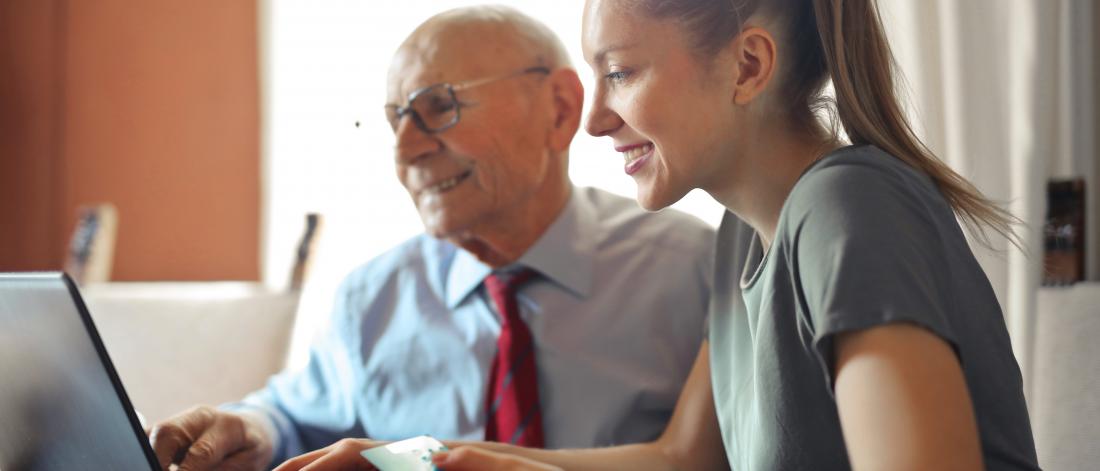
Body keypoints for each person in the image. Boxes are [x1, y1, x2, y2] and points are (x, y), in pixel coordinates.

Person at [278, 0, 1042, 469]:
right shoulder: (744, 237)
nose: (595, 119)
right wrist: (418, 462)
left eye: (621, 74)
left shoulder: (848, 211)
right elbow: (682, 459)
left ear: (747, 65)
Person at [146, 6, 717, 471]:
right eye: (396, 120)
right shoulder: (373, 297)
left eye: (438, 107)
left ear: (560, 109)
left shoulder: (697, 270)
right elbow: (293, 417)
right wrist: (249, 429)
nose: (405, 150)